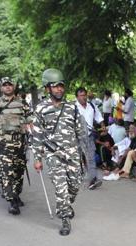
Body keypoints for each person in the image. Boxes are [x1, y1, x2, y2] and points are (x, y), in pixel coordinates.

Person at [31, 69, 87, 236]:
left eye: (61, 86)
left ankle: (67, 205)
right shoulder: (41, 108)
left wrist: (83, 154)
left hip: (73, 154)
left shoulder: (71, 107)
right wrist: (37, 158)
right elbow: (36, 135)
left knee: (75, 185)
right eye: (55, 86)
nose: (59, 89)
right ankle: (64, 219)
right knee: (61, 188)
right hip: (53, 154)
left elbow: (80, 132)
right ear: (48, 88)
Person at [0, 77, 32, 215]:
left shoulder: (22, 103)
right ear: (1, 88)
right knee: (6, 172)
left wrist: (35, 138)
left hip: (20, 143)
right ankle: (11, 201)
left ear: (14, 86)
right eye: (4, 85)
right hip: (3, 144)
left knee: (19, 171)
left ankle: (16, 194)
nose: (7, 87)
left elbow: (30, 121)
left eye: (9, 85)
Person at [76, 87, 103, 190]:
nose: (84, 97)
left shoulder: (92, 106)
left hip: (89, 136)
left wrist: (102, 124)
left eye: (85, 95)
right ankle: (78, 175)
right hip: (77, 136)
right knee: (78, 158)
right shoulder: (73, 107)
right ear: (77, 97)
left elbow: (98, 116)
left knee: (91, 158)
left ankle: (93, 179)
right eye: (81, 95)